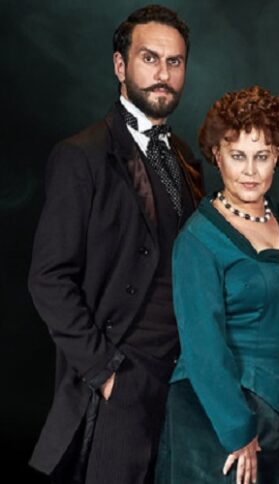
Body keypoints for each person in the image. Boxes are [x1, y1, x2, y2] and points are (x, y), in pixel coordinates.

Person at [27, 5, 203, 483]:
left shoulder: (186, 159)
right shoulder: (81, 155)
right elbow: (48, 279)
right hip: (120, 377)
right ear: (120, 66)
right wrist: (105, 372)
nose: (163, 73)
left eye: (175, 62)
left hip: (181, 382)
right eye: (150, 59)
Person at [154, 86, 279, 484]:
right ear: (217, 156)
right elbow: (203, 347)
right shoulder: (199, 239)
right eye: (237, 156)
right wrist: (238, 431)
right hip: (217, 419)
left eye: (261, 156)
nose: (250, 170)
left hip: (277, 412)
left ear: (277, 156)